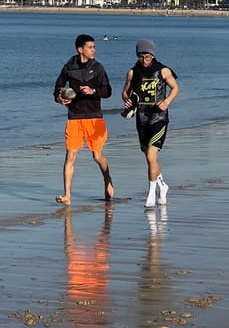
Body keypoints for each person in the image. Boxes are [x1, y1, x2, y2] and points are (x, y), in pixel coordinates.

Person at [53, 34, 114, 205]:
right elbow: (57, 88)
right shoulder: (69, 67)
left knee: (97, 156)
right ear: (81, 49)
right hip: (75, 117)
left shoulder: (98, 68)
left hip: (95, 118)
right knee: (70, 156)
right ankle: (67, 196)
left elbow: (108, 91)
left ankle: (107, 180)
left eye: (94, 47)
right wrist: (60, 98)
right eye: (90, 47)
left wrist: (93, 91)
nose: (94, 50)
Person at [121, 38, 179, 209]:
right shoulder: (133, 72)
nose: (144, 60)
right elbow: (125, 92)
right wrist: (127, 100)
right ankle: (162, 185)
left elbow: (175, 88)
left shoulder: (163, 71)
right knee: (150, 158)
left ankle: (151, 193)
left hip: (159, 118)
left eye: (147, 57)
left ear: (152, 55)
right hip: (142, 119)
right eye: (141, 57)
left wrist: (167, 101)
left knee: (150, 156)